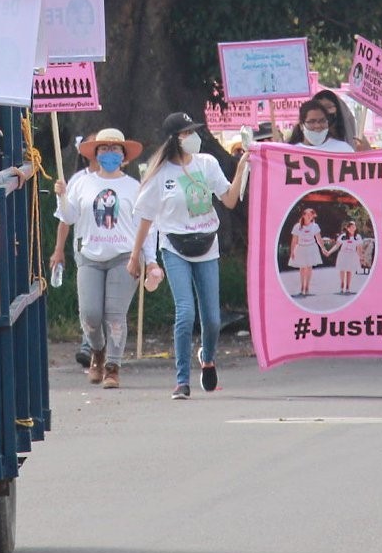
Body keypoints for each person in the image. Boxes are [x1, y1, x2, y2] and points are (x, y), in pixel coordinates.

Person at [130, 111, 250, 400]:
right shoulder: (160, 175)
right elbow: (145, 218)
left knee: (212, 319)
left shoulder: (206, 164)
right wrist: (137, 256)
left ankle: (207, 359)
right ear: (174, 139)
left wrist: (242, 166)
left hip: (207, 244)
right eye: (186, 133)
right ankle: (181, 379)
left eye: (193, 131)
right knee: (185, 313)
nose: (192, 137)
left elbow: (229, 199)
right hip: (175, 247)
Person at [50, 128, 146, 389]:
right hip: (89, 256)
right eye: (104, 148)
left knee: (115, 316)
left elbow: (145, 225)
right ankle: (97, 352)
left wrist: (147, 259)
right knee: (90, 314)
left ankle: (113, 367)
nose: (109, 153)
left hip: (124, 256)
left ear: (124, 155)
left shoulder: (134, 187)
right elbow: (68, 217)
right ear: (95, 153)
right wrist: (61, 196)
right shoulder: (81, 182)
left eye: (115, 149)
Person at [287, 206, 326, 298]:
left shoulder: (315, 226)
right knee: (302, 268)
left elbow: (319, 239)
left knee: (309, 267)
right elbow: (294, 240)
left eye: (311, 215)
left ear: (313, 216)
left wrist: (323, 248)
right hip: (301, 248)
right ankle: (302, 287)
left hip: (311, 248)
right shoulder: (297, 226)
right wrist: (292, 251)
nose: (309, 216)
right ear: (303, 215)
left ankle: (307, 287)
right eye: (307, 214)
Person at [289, 99, 355, 153]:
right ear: (301, 125)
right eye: (312, 122)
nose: (318, 126)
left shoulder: (344, 150)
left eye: (322, 121)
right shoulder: (291, 153)